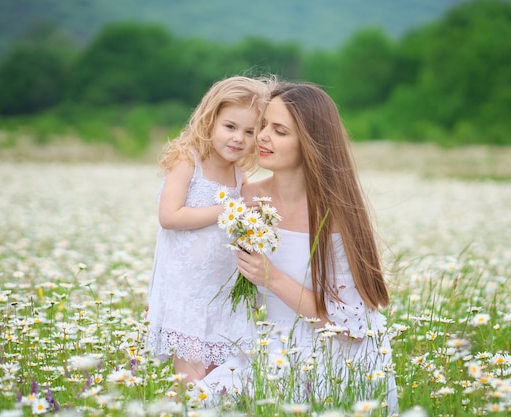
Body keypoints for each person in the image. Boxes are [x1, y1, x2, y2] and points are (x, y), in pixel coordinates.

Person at [201, 82, 398, 414]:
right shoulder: (245, 200)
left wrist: (272, 278)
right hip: (265, 346)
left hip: (335, 358)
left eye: (279, 131)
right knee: (198, 401)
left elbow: (348, 325)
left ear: (310, 143)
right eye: (263, 125)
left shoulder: (335, 215)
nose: (262, 136)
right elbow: (213, 283)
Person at [146, 76, 269, 383]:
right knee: (192, 380)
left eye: (249, 131)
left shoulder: (238, 174)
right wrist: (229, 209)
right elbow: (170, 216)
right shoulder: (189, 160)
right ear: (210, 121)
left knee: (222, 378)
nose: (239, 138)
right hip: (186, 291)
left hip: (222, 289)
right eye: (230, 127)